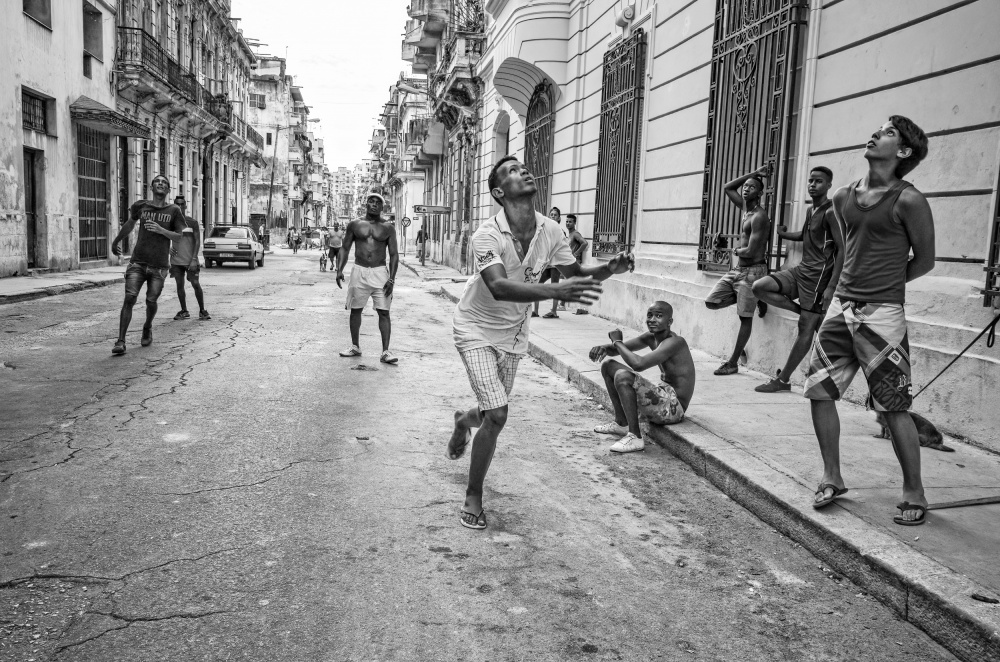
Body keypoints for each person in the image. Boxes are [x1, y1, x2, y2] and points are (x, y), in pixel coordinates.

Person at [447, 156, 634, 530]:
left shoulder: (551, 230)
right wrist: (556, 289)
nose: (525, 171)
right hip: (475, 327)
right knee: (498, 415)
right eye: (513, 171)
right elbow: (499, 287)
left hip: (514, 333)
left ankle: (461, 422)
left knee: (487, 414)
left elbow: (576, 272)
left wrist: (610, 269)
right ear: (500, 192)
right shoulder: (486, 234)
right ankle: (473, 494)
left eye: (524, 168)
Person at [803, 116, 933, 526]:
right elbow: (847, 251)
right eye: (879, 129)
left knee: (894, 405)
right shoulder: (843, 196)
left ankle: (914, 490)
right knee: (819, 392)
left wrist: (885, 289)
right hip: (841, 308)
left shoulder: (908, 200)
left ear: (904, 152)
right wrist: (837, 296)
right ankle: (832, 477)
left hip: (884, 315)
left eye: (888, 133)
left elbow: (924, 261)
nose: (876, 134)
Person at [751, 167, 842, 392]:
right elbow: (805, 235)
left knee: (806, 329)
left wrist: (831, 286)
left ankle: (783, 380)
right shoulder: (812, 209)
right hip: (801, 271)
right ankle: (804, 312)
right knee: (760, 287)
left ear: (829, 185)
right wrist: (783, 235)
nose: (812, 185)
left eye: (819, 181)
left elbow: (843, 249)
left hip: (818, 278)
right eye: (810, 180)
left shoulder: (831, 211)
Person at [590, 301, 696, 453]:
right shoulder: (651, 337)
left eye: (659, 316)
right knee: (608, 366)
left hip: (674, 408)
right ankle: (621, 423)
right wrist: (601, 348)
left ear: (670, 322)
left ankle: (635, 437)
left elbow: (638, 364)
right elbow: (618, 350)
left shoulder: (675, 342)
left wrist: (617, 341)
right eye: (650, 315)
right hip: (663, 396)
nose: (652, 319)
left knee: (623, 377)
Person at [109, 175, 190, 355]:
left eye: (164, 183)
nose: (160, 183)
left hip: (159, 266)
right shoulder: (141, 206)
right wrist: (116, 241)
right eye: (157, 182)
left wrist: (161, 230)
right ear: (151, 187)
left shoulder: (174, 210)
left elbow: (179, 236)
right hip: (138, 261)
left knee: (151, 301)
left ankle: (147, 326)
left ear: (168, 190)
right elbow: (130, 224)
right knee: (129, 298)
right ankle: (121, 341)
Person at [705, 165, 771, 375]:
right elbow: (727, 187)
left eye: (751, 187)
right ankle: (759, 297)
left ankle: (733, 362)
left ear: (759, 194)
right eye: (746, 186)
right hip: (737, 271)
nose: (746, 189)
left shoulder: (759, 217)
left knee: (744, 317)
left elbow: (751, 251)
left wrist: (730, 248)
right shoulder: (745, 209)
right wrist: (754, 174)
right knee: (711, 301)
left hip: (752, 271)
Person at [336, 194, 400, 364]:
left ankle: (385, 352)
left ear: (382, 207)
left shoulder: (388, 228)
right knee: (355, 310)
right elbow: (345, 248)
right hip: (359, 271)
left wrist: (392, 279)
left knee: (384, 312)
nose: (374, 204)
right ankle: (355, 347)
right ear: (366, 204)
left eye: (378, 202)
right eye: (371, 201)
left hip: (380, 272)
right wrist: (339, 269)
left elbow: (394, 255)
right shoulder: (355, 225)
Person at [169, 196, 211, 321]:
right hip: (176, 261)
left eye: (182, 204)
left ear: (185, 206)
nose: (180, 207)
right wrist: (167, 248)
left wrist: (194, 258)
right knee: (179, 286)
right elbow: (163, 237)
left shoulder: (192, 222)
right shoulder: (170, 223)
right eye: (177, 204)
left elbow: (197, 241)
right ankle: (184, 311)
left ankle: (202, 311)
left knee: (195, 284)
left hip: (190, 260)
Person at [532, 206, 568, 318]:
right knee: (537, 284)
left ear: (559, 218)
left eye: (555, 215)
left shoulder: (560, 231)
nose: (553, 216)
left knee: (554, 286)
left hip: (556, 264)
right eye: (551, 214)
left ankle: (554, 311)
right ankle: (535, 311)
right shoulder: (545, 230)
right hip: (546, 263)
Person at [566, 214, 590, 315]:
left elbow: (584, 243)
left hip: (575, 263)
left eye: (570, 222)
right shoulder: (570, 234)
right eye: (567, 221)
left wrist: (576, 254)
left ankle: (582, 308)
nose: (568, 223)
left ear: (574, 223)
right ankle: (580, 307)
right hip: (571, 262)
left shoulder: (575, 234)